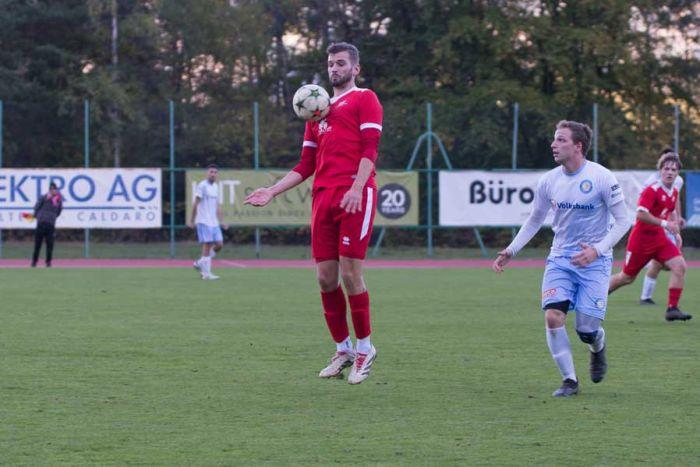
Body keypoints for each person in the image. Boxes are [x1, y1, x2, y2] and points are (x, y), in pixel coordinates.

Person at [245, 42, 383, 385]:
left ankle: (365, 348)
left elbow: (370, 149)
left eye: (341, 63)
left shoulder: (365, 98)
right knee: (325, 278)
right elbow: (306, 164)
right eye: (331, 63)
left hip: (355, 195)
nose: (334, 68)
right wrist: (272, 191)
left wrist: (356, 187)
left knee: (351, 274)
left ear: (355, 69)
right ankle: (343, 349)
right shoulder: (316, 110)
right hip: (323, 199)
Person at [492, 120, 631, 397]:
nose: (553, 144)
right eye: (554, 139)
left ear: (578, 146)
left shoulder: (602, 177)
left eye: (561, 140)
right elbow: (535, 220)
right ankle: (570, 381)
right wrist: (512, 250)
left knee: (586, 329)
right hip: (560, 259)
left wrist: (596, 250)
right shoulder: (549, 180)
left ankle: (597, 346)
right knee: (553, 316)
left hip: (595, 262)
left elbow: (623, 221)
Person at [609, 152, 692, 321]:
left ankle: (672, 309)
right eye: (666, 169)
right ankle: (592, 297)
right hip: (641, 239)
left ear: (678, 173)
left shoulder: (674, 191)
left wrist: (676, 232)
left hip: (659, 239)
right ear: (660, 170)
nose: (670, 172)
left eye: (673, 170)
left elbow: (671, 212)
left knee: (679, 266)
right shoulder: (652, 190)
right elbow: (640, 215)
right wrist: (665, 224)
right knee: (627, 278)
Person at [639, 148, 685, 305]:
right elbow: (643, 209)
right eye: (666, 165)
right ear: (660, 165)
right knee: (628, 275)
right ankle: (646, 297)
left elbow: (674, 200)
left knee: (667, 264)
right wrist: (663, 223)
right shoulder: (651, 182)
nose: (670, 170)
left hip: (667, 224)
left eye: (674, 167)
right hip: (653, 226)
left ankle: (649, 298)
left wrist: (677, 219)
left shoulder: (678, 180)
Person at [188, 164, 227, 280]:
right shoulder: (202, 186)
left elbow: (217, 205)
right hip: (203, 221)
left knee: (219, 245)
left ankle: (200, 263)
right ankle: (206, 274)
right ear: (207, 173)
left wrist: (222, 221)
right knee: (207, 245)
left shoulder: (215, 187)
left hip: (214, 222)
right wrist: (192, 220)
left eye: (215, 172)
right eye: (211, 172)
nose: (213, 174)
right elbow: (196, 203)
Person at [31, 182, 63, 267]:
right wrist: (38, 217)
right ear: (50, 190)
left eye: (55, 190)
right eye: (53, 190)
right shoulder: (43, 197)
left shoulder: (58, 200)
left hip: (50, 224)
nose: (54, 191)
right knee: (37, 244)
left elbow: (59, 211)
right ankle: (34, 262)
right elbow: (36, 207)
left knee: (50, 245)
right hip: (41, 223)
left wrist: (53, 217)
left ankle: (48, 262)